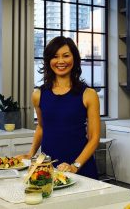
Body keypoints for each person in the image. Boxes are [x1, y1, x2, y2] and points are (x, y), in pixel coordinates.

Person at [18, 36, 100, 179]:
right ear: (49, 61)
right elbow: (42, 127)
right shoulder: (38, 95)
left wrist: (75, 166)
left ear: (74, 59)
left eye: (66, 56)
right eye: (55, 57)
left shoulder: (89, 94)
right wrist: (31, 153)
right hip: (48, 168)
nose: (61, 61)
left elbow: (94, 138)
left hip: (81, 169)